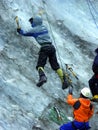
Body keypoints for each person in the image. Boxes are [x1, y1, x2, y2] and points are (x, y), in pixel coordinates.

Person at [17, 15, 68, 89]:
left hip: (44, 48)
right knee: (55, 66)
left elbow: (24, 33)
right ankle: (63, 80)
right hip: (51, 47)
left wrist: (19, 30)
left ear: (35, 22)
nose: (31, 23)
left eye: (32, 22)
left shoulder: (34, 30)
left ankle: (42, 77)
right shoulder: (44, 27)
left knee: (40, 65)